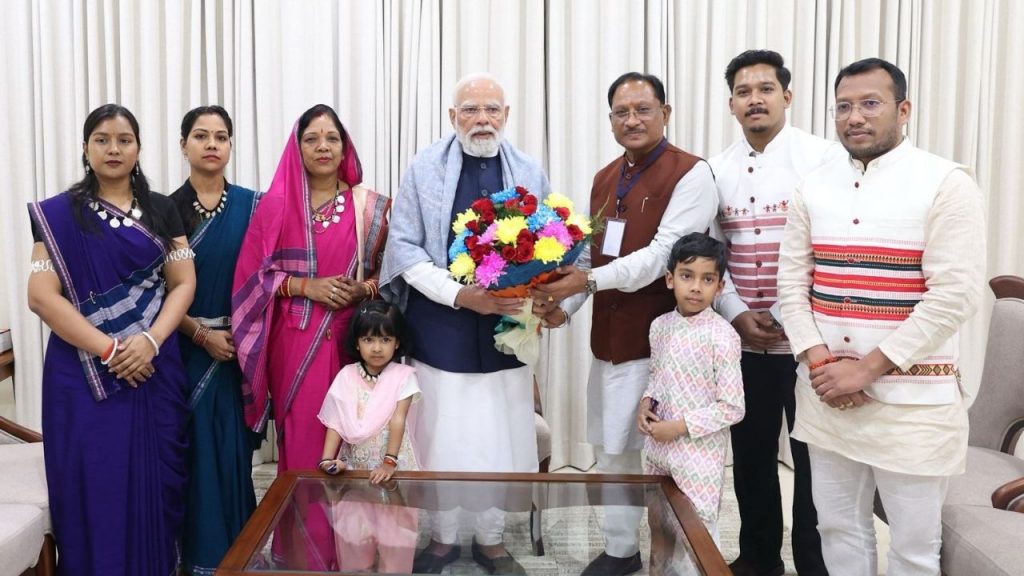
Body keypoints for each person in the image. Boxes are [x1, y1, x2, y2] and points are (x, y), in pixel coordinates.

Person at [776, 58, 986, 576]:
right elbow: (791, 283)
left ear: (904, 109)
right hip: (826, 395)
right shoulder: (813, 185)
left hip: (913, 405)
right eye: (843, 106)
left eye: (870, 103)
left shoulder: (946, 182)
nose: (855, 117)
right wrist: (823, 363)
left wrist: (865, 369)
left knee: (914, 548)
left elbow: (953, 297)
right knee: (837, 529)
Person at [531, 72, 718, 576]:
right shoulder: (606, 177)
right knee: (611, 452)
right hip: (608, 344)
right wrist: (560, 310)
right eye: (621, 111)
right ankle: (621, 550)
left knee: (666, 459)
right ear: (610, 118)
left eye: (643, 109)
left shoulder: (691, 174)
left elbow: (663, 258)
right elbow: (591, 261)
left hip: (666, 347)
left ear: (666, 113)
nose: (632, 120)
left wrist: (583, 287)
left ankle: (677, 557)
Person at [380, 73, 548, 575]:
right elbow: (405, 248)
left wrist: (540, 295)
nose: (482, 119)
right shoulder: (424, 169)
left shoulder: (528, 172)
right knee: (443, 435)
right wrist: (459, 296)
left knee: (500, 437)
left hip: (507, 333)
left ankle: (493, 542)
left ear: (507, 115)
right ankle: (445, 538)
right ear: (452, 117)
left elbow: (550, 245)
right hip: (442, 327)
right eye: (470, 110)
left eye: (491, 110)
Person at [26, 104, 195, 575]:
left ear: (139, 148)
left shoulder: (163, 209)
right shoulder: (59, 216)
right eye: (102, 139)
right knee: (93, 484)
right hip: (82, 376)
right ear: (85, 148)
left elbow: (183, 282)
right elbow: (41, 295)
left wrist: (152, 341)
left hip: (154, 369)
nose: (113, 148)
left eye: (123, 139)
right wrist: (112, 348)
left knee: (155, 485)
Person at [232, 104, 390, 568]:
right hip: (295, 340)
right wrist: (306, 286)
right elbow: (252, 277)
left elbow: (389, 275)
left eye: (332, 138)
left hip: (354, 344)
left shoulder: (372, 206)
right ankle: (303, 553)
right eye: (312, 138)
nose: (323, 146)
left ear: (345, 146)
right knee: (304, 445)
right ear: (296, 147)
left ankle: (357, 553)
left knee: (357, 441)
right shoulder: (275, 206)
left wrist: (361, 288)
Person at [709, 49, 837, 576]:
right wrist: (737, 313)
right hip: (745, 340)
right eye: (743, 92)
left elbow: (835, 246)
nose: (754, 99)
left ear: (787, 96)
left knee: (814, 461)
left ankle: (815, 561)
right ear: (732, 104)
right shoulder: (715, 170)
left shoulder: (824, 158)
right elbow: (712, 252)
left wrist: (795, 315)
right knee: (753, 457)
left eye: (765, 89)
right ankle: (760, 557)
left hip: (813, 342)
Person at [170, 105, 259, 575]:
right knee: (195, 453)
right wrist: (202, 334)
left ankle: (239, 555)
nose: (211, 144)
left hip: (242, 350)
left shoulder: (253, 204)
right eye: (200, 136)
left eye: (220, 136)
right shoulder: (164, 209)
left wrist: (242, 338)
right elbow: (159, 290)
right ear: (182, 144)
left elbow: (267, 277)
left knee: (234, 454)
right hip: (183, 349)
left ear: (230, 145)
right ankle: (199, 558)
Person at [638, 232, 745, 572]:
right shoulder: (660, 326)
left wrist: (679, 428)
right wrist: (646, 402)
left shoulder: (723, 336)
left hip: (698, 456)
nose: (696, 287)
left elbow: (733, 407)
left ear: (720, 286)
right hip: (657, 450)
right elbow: (658, 375)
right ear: (670, 279)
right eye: (687, 276)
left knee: (694, 536)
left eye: (707, 279)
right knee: (658, 527)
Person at [317, 299, 420, 573]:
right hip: (355, 473)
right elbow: (336, 422)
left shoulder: (403, 376)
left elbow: (398, 419)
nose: (377, 348)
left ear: (397, 342)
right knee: (355, 540)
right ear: (357, 343)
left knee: (395, 540)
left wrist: (389, 462)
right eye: (369, 339)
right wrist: (328, 460)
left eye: (385, 339)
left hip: (393, 472)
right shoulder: (346, 375)